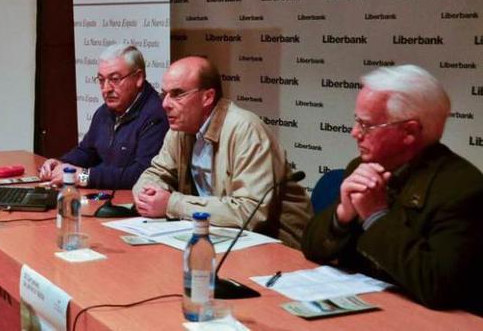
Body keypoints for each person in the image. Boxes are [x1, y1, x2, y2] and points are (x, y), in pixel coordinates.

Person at [301, 65, 483, 312]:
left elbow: (438, 288)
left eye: (367, 126)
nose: (355, 133)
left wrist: (376, 217)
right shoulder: (362, 166)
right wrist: (342, 216)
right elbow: (312, 249)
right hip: (361, 306)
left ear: (409, 131)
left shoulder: (462, 188)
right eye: (357, 122)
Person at [131, 56, 311, 248]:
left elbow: (250, 212)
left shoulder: (245, 129)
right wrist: (147, 194)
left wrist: (171, 204)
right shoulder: (181, 129)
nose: (165, 104)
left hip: (280, 246)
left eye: (177, 94)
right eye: (164, 94)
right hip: (223, 239)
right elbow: (156, 173)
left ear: (207, 97)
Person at [38, 44, 168, 190]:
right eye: (101, 80)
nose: (106, 89)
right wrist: (61, 164)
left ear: (138, 78)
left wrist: (83, 176)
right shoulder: (104, 112)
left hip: (133, 203)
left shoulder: (157, 116)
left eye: (115, 79)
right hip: (105, 198)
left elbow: (142, 174)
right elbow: (88, 151)